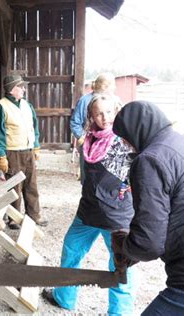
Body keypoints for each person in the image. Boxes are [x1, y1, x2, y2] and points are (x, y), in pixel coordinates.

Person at [111, 101, 184, 315]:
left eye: (124, 138)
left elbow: (149, 244)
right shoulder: (182, 145)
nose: (126, 145)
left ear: (134, 132)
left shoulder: (150, 160)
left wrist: (127, 247)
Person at [42, 94, 137, 314]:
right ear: (92, 116)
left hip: (116, 215)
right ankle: (64, 297)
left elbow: (140, 171)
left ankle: (119, 313)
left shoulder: (126, 140)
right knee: (71, 249)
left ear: (116, 111)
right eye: (99, 113)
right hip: (89, 211)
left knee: (121, 265)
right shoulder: (90, 139)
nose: (105, 118)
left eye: (109, 112)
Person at [0, 74, 47, 229]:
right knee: (15, 187)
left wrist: (36, 146)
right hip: (12, 153)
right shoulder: (0, 107)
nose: (23, 89)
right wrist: (1, 155)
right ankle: (14, 218)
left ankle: (34, 215)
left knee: (31, 184)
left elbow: (33, 127)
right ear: (11, 89)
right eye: (20, 87)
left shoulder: (27, 105)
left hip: (28, 151)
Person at [70, 73, 118, 184]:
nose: (114, 89)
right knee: (88, 176)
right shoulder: (85, 100)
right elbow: (75, 122)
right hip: (89, 142)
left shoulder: (114, 100)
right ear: (105, 87)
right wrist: (82, 137)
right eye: (112, 86)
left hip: (109, 141)